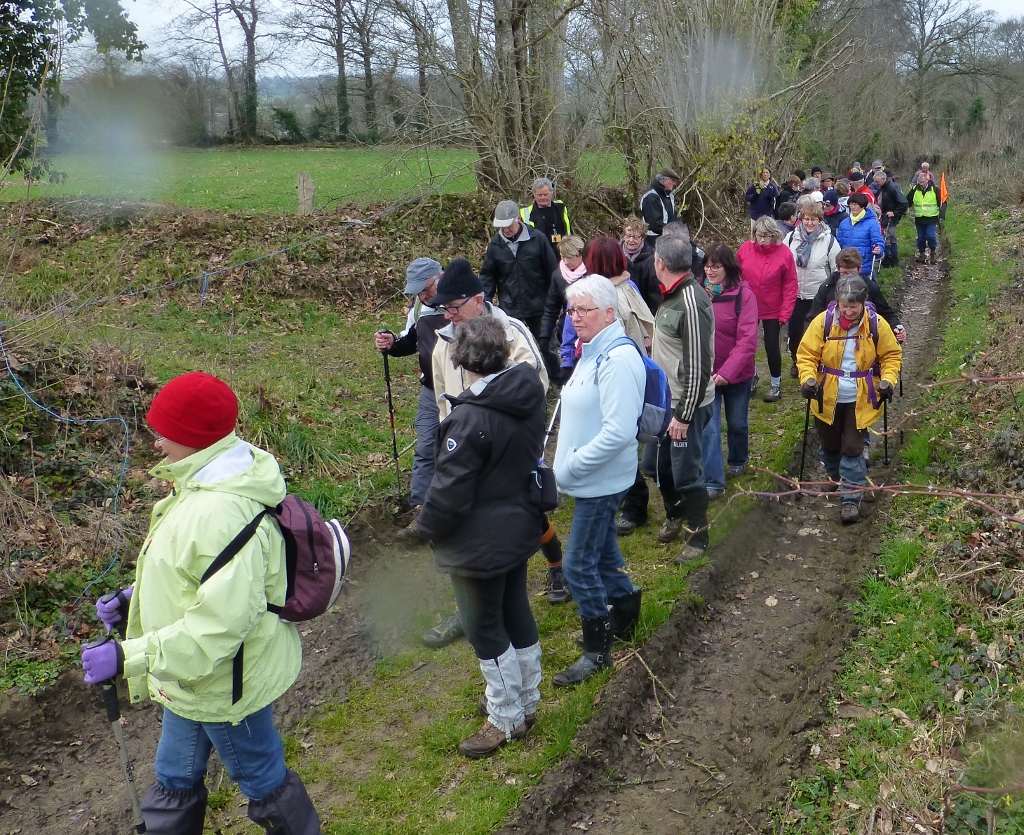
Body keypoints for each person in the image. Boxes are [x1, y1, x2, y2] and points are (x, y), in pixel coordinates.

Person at [82, 372, 320, 835]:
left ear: (193, 437)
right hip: (191, 676)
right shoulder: (201, 481)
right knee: (175, 776)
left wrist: (129, 656)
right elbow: (190, 573)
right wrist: (135, 600)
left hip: (225, 684)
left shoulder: (221, 510)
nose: (156, 443)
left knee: (263, 780)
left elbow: (220, 625)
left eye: (163, 432)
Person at [416, 316, 546, 758]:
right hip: (518, 522)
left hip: (479, 539)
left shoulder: (470, 418)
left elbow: (448, 494)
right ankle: (526, 700)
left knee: (483, 625)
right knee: (514, 609)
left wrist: (422, 530)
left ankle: (505, 717)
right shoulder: (526, 392)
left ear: (460, 360)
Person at [424, 259, 567, 649]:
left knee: (525, 513)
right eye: (444, 309)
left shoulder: (511, 331)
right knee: (470, 527)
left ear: (477, 299)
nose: (449, 315)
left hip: (508, 447)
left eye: (454, 307)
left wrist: (490, 421)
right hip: (465, 449)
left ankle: (555, 565)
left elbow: (533, 383)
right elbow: (442, 399)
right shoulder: (444, 341)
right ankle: (471, 606)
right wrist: (451, 442)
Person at [552, 275, 646, 686]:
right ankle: (625, 612)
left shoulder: (617, 360)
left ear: (609, 313)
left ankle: (597, 651)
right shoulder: (592, 350)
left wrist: (570, 468)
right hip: (593, 478)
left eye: (584, 310)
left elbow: (619, 432)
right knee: (604, 552)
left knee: (577, 565)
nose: (576, 318)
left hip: (600, 481)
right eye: (572, 310)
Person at [796, 275, 903, 523]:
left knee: (853, 448)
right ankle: (835, 476)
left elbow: (891, 356)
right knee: (830, 446)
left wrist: (888, 381)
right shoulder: (823, 322)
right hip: (826, 396)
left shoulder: (876, 325)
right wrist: (808, 380)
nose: (848, 311)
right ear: (837, 301)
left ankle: (850, 498)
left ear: (863, 303)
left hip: (861, 397)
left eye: (853, 307)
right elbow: (806, 355)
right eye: (844, 306)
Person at [645, 234, 715, 560]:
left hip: (686, 405)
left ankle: (698, 535)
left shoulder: (691, 302)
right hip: (665, 401)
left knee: (686, 472)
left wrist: (684, 416)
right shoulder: (671, 294)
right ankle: (675, 512)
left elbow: (699, 366)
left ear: (661, 263)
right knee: (655, 465)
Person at [374, 258, 446, 534]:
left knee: (460, 449)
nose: (423, 296)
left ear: (440, 277)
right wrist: (391, 343)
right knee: (426, 447)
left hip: (464, 392)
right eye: (418, 291)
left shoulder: (464, 302)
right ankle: (419, 511)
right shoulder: (419, 308)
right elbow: (410, 341)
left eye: (426, 289)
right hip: (431, 390)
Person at [699, 244, 758, 499]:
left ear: (728, 268)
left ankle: (738, 458)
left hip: (737, 375)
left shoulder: (744, 295)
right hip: (706, 375)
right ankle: (713, 482)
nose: (710, 271)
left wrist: (727, 372)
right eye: (707, 266)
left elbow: (747, 340)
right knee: (710, 429)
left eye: (716, 267)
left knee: (737, 423)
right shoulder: (698, 293)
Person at [736, 216, 798, 403]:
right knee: (747, 344)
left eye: (766, 236)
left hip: (773, 308)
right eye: (759, 235)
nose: (762, 239)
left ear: (774, 235)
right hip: (748, 306)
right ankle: (752, 375)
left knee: (771, 346)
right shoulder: (745, 249)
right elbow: (735, 275)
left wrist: (785, 312)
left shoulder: (784, 253)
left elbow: (790, 285)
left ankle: (775, 383)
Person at [479, 199, 559, 338]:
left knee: (548, 345)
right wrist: (484, 302)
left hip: (539, 306)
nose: (506, 230)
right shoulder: (495, 245)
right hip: (510, 308)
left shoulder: (537, 238)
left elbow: (552, 271)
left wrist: (556, 301)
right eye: (501, 226)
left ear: (519, 218)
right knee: (512, 346)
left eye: (509, 225)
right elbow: (488, 276)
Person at [785, 202, 841, 378]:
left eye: (814, 219)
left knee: (816, 332)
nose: (809, 223)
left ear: (820, 220)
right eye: (806, 219)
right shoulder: (791, 238)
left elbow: (836, 270)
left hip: (818, 295)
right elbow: (783, 263)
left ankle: (817, 363)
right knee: (795, 333)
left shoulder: (829, 241)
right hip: (794, 294)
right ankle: (797, 361)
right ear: (801, 219)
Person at [806, 248, 906, 344]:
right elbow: (812, 318)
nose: (848, 277)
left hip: (864, 340)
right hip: (832, 340)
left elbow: (886, 312)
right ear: (838, 268)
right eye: (844, 273)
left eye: (851, 273)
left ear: (859, 269)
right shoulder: (827, 287)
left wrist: (896, 327)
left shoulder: (869, 286)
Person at [539, 235, 587, 380]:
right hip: (567, 330)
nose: (566, 261)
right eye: (562, 257)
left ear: (580, 254)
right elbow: (551, 307)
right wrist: (545, 334)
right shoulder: (558, 275)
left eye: (570, 257)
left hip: (588, 329)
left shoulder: (592, 272)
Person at [520, 177, 572, 258]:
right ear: (534, 195)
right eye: (539, 195)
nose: (543, 198)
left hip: (564, 254)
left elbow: (569, 231)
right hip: (541, 257)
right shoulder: (526, 213)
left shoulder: (561, 208)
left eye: (545, 194)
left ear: (551, 192)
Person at [837, 193, 884, 280]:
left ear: (862, 205)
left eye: (856, 204)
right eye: (851, 204)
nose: (853, 207)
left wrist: (879, 249)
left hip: (864, 264)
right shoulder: (844, 223)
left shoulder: (872, 223)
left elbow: (878, 241)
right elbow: (839, 243)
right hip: (846, 264)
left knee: (868, 286)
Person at [621, 216, 662, 312]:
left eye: (635, 237)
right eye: (628, 236)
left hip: (644, 308)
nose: (631, 240)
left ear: (642, 238)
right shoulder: (615, 254)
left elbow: (655, 292)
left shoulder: (652, 258)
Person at [906, 170, 945, 265]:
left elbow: (943, 202)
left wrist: (942, 215)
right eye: (920, 182)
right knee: (921, 237)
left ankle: (933, 253)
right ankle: (922, 254)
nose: (921, 184)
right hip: (919, 218)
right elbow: (908, 201)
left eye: (923, 182)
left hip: (932, 218)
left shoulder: (935, 189)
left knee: (931, 236)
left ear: (927, 180)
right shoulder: (915, 189)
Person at [873, 170, 909, 267]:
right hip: (884, 216)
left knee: (890, 237)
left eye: (877, 181)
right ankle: (887, 259)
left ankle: (893, 259)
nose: (876, 183)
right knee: (886, 237)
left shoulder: (892, 187)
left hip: (890, 217)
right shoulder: (882, 187)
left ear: (883, 179)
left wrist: (895, 213)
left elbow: (904, 202)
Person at [640, 167, 680, 238]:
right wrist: (674, 233)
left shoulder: (669, 195)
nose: (674, 183)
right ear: (665, 181)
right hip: (653, 239)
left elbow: (674, 217)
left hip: (668, 237)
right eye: (673, 180)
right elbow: (655, 225)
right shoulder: (651, 197)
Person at [745, 167, 780, 235]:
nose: (765, 174)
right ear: (761, 174)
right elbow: (747, 197)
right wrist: (755, 195)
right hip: (755, 215)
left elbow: (776, 201)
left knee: (766, 235)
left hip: (767, 216)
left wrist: (771, 200)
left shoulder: (773, 187)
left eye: (767, 173)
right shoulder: (755, 185)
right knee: (754, 234)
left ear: (770, 175)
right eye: (764, 172)